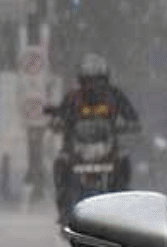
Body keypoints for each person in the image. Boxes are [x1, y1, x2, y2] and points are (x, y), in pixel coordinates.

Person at [48, 52, 141, 209]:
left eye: (98, 81)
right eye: (88, 81)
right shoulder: (73, 97)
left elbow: (130, 114)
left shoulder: (114, 95)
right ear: (81, 81)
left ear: (106, 80)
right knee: (61, 162)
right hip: (77, 147)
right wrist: (58, 123)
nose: (93, 86)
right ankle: (63, 204)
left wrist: (131, 124)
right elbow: (61, 115)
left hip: (108, 146)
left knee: (124, 159)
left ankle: (122, 196)